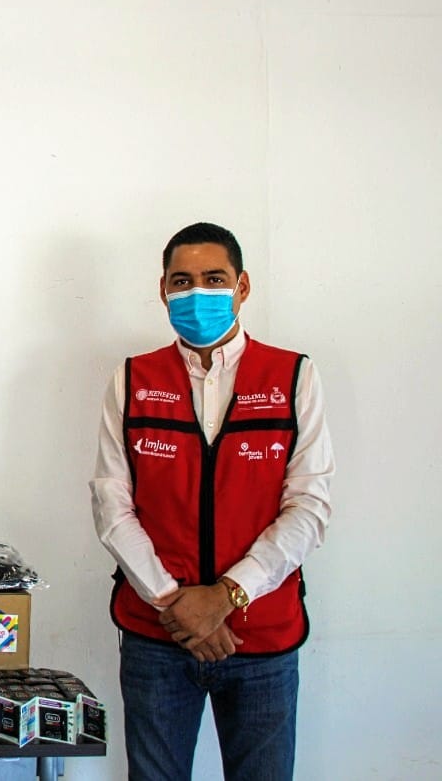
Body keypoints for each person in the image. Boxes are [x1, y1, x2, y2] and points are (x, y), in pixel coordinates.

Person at [90, 223, 333, 780]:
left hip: (262, 635)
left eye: (214, 279)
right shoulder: (132, 378)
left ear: (242, 287)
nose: (197, 292)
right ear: (163, 291)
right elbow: (111, 502)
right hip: (158, 637)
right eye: (182, 281)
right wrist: (176, 604)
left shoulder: (294, 376)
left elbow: (309, 506)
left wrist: (226, 595)